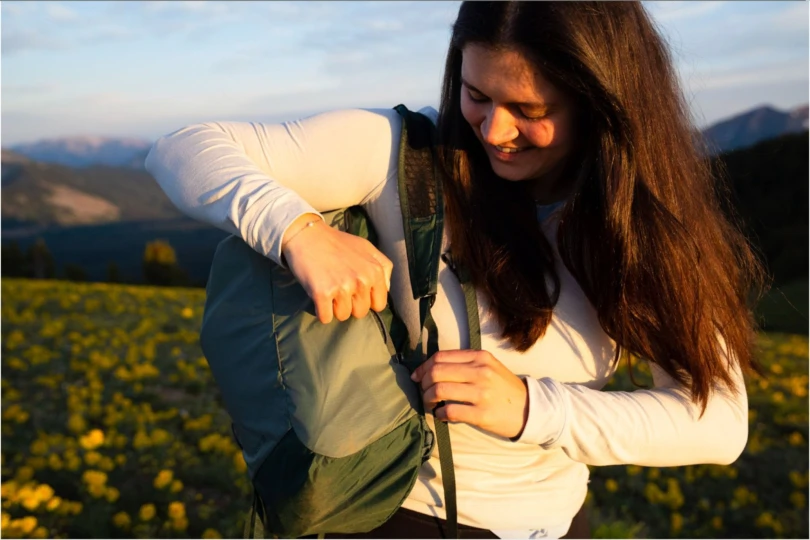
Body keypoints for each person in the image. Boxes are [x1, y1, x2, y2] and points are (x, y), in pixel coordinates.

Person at [145, 2, 765, 538]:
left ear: (600, 101)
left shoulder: (644, 225)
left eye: (528, 108)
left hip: (564, 523)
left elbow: (716, 423)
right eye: (477, 95)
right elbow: (184, 148)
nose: (495, 130)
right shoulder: (404, 157)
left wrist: (529, 407)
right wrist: (297, 231)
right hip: (401, 517)